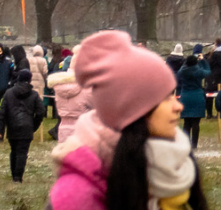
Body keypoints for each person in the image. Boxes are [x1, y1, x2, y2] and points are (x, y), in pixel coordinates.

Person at [47, 30, 202, 210]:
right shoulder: (77, 197)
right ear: (132, 108)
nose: (178, 106)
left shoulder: (177, 162)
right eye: (165, 98)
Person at [0, 68, 46, 183]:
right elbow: (41, 112)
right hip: (27, 127)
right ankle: (18, 177)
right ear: (29, 80)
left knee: (13, 150)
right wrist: (34, 125)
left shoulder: (8, 93)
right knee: (22, 152)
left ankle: (14, 175)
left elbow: (2, 112)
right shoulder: (34, 95)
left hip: (12, 126)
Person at [177, 47, 209, 151]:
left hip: (185, 96)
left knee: (187, 123)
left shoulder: (183, 72)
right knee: (196, 123)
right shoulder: (199, 72)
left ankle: (186, 143)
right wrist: (203, 60)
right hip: (197, 96)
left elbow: (179, 72)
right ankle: (194, 144)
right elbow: (208, 71)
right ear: (196, 63)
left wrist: (186, 62)